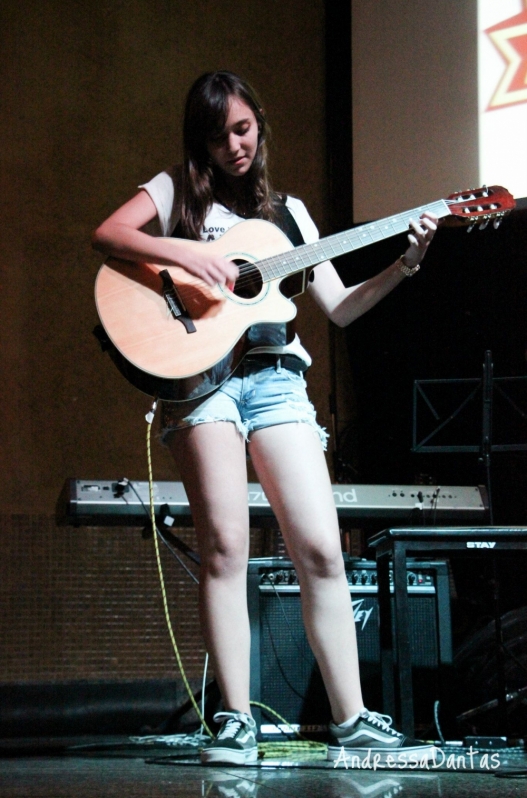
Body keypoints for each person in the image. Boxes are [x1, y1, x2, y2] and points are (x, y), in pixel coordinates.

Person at [92, 71, 438, 766]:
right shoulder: (173, 192)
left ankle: (352, 719)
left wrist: (405, 262)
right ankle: (235, 720)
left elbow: (339, 309)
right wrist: (185, 251)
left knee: (320, 550)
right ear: (203, 141)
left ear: (259, 126)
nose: (233, 145)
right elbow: (108, 235)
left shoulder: (289, 218)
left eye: (243, 129)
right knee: (224, 549)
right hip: (203, 385)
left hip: (278, 380)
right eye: (219, 135)